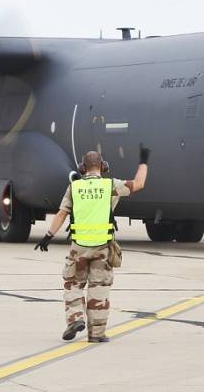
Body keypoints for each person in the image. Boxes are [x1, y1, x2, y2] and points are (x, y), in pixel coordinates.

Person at [35, 144, 150, 343]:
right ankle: (96, 334)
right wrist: (144, 162)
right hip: (102, 247)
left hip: (79, 247)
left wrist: (48, 235)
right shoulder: (110, 186)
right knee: (99, 290)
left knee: (73, 285)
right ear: (103, 166)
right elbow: (139, 184)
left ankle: (75, 319)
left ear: (82, 168)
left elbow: (62, 213)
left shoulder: (75, 187)